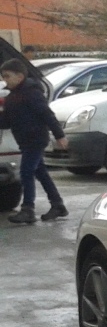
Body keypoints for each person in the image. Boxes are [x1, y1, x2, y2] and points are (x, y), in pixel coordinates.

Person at [0, 58, 69, 223]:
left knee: (26, 172)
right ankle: (58, 205)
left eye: (7, 76)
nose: (5, 80)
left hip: (35, 139)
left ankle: (28, 209)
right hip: (24, 141)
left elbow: (47, 114)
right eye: (3, 76)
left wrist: (60, 135)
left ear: (20, 76)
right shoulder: (12, 97)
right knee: (41, 173)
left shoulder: (32, 93)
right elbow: (7, 122)